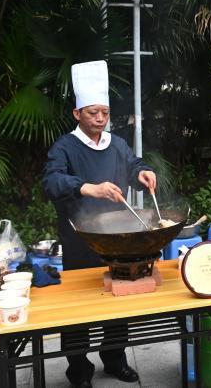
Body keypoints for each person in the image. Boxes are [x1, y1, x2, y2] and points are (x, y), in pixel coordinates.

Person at [43, 60, 156, 388]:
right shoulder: (64, 147)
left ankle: (115, 360)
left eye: (105, 113)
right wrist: (87, 187)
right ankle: (79, 371)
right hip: (80, 241)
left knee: (117, 303)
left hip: (117, 239)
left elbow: (133, 165)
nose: (100, 118)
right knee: (79, 311)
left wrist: (143, 172)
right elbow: (51, 182)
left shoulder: (116, 143)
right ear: (77, 113)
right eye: (93, 112)